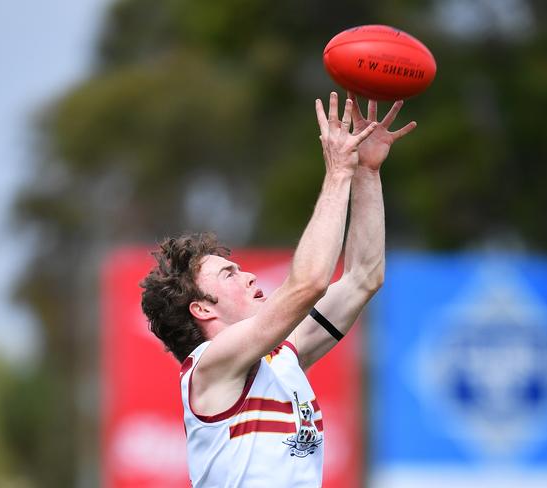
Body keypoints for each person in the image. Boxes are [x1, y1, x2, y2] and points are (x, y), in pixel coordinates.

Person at [140, 92, 416, 487]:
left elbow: (363, 277)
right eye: (229, 275)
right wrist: (338, 172)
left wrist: (366, 172)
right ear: (201, 309)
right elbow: (310, 284)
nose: (250, 277)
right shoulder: (209, 367)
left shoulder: (285, 356)